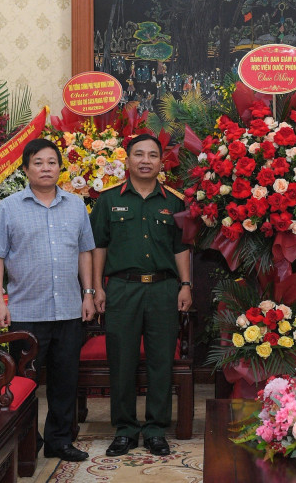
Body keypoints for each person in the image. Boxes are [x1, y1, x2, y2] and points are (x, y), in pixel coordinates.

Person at [0, 138, 96, 462]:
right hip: (26, 312)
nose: (45, 168)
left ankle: (59, 441)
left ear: (60, 168)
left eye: (51, 162)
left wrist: (88, 294)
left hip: (68, 310)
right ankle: (26, 441)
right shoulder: (9, 207)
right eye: (38, 162)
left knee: (65, 380)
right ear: (25, 169)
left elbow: (85, 252)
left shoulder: (76, 205)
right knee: (24, 382)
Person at [89, 133, 192, 457]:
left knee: (161, 360)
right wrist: (97, 287)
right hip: (123, 289)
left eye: (152, 155)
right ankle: (125, 430)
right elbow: (98, 247)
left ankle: (156, 429)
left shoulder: (173, 202)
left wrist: (186, 285)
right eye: (139, 154)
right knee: (122, 361)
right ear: (128, 160)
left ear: (161, 162)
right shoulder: (108, 200)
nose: (145, 160)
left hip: (163, 289)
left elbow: (181, 248)